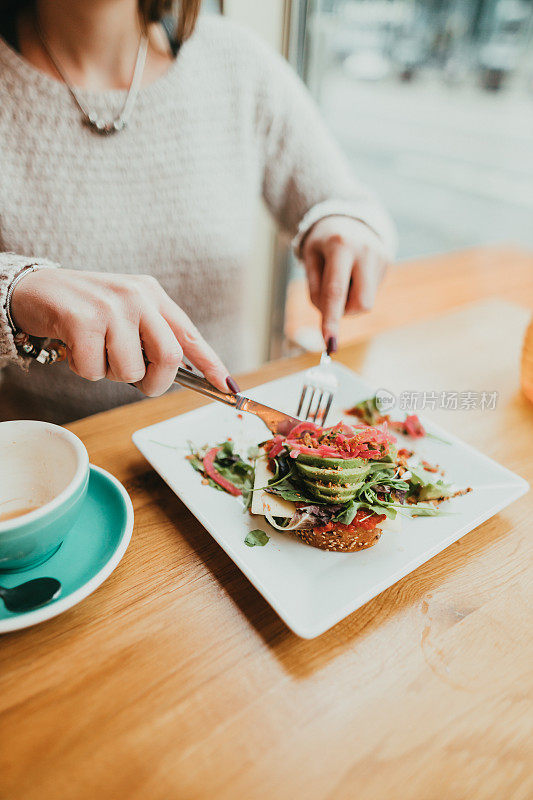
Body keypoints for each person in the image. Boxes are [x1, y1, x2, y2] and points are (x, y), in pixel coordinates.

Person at [0, 0, 396, 424]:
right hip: (50, 463)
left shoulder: (236, 61)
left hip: (228, 438)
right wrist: (16, 290)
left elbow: (348, 204)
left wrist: (343, 225)